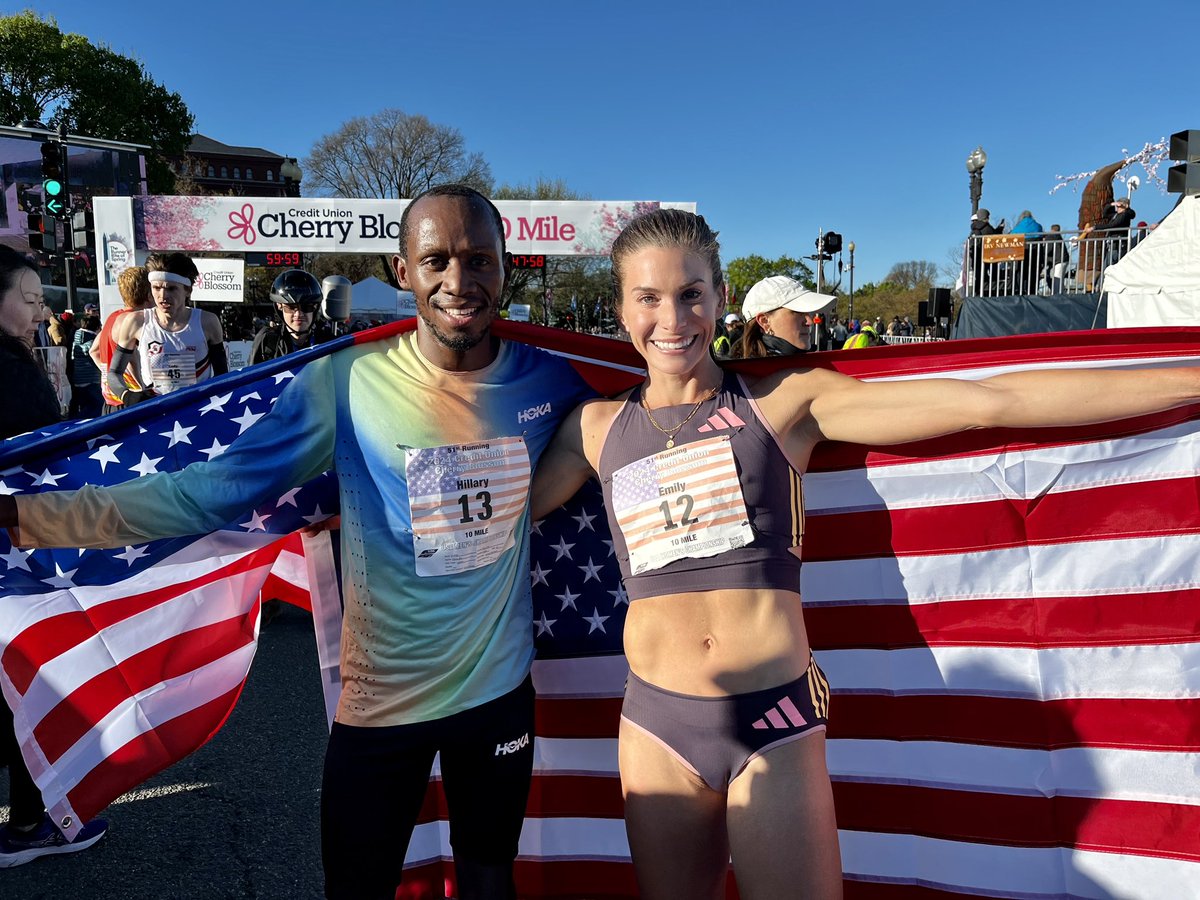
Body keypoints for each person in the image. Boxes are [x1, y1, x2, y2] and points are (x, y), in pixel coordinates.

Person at [529, 207, 1200, 900]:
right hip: (655, 726)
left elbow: (991, 401)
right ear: (619, 309)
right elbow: (496, 520)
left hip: (773, 721)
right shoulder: (595, 429)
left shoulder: (785, 404)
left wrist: (1190, 382)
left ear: (721, 298)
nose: (672, 318)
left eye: (691, 294)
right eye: (648, 298)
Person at [0, 184, 592, 899]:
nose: (459, 281)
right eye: (436, 259)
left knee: (490, 877)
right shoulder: (345, 381)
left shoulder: (553, 379)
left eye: (479, 260)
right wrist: (27, 518)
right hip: (382, 710)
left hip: (499, 698)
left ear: (506, 267)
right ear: (403, 272)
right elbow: (204, 492)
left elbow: (649, 421)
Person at [0, 246, 109, 866]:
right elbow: (41, 469)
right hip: (13, 557)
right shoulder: (13, 374)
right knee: (21, 682)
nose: (43, 311)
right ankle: (33, 820)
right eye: (31, 298)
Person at [106, 253, 226, 406]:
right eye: (156, 288)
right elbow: (114, 373)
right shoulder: (136, 322)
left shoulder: (207, 322)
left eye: (171, 289)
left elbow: (223, 375)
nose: (163, 295)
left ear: (188, 290)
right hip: (157, 411)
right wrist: (127, 396)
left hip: (197, 410)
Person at [91, 266, 153, 413]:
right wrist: (142, 388)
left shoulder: (112, 318)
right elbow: (132, 359)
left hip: (110, 401)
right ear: (149, 294)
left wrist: (107, 374)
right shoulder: (134, 321)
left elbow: (94, 351)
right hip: (129, 401)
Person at [250, 269, 334, 365]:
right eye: (291, 307)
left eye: (306, 307)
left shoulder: (328, 343)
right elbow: (250, 377)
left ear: (315, 308)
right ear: (279, 306)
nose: (298, 314)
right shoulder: (267, 342)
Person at [738, 275, 834, 358]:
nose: (809, 322)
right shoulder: (750, 376)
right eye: (797, 312)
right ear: (765, 321)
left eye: (808, 313)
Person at [68, 310, 103, 418]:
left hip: (79, 379)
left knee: (85, 405)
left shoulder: (77, 337)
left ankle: (78, 422)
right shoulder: (91, 341)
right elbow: (94, 353)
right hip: (90, 380)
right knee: (97, 406)